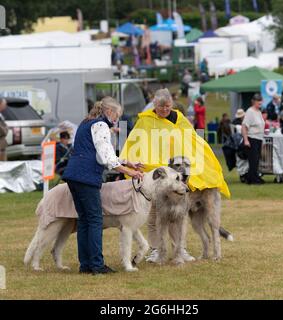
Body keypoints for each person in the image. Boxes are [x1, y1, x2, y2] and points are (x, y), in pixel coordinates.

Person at [120, 88, 230, 263]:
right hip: (155, 175)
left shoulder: (180, 119)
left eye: (168, 106)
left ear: (172, 104)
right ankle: (156, 249)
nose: (164, 109)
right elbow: (135, 142)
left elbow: (193, 142)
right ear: (154, 104)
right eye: (161, 106)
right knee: (155, 214)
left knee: (177, 215)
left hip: (175, 175)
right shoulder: (146, 121)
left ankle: (180, 249)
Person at [62, 97, 144, 275]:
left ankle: (85, 265)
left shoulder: (86, 123)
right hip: (86, 177)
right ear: (109, 112)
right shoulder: (101, 125)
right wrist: (128, 172)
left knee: (84, 220)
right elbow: (105, 156)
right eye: (117, 115)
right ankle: (97, 265)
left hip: (73, 175)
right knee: (94, 220)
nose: (116, 119)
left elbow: (101, 153)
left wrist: (128, 163)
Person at [242, 93, 265, 185]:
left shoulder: (258, 112)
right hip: (252, 138)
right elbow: (244, 126)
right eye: (258, 101)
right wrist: (246, 140)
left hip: (259, 138)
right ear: (254, 102)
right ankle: (252, 179)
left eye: (261, 101)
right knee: (253, 160)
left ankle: (254, 176)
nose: (260, 103)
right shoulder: (250, 112)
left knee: (256, 160)